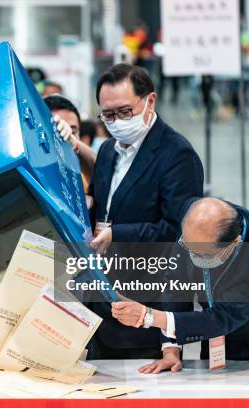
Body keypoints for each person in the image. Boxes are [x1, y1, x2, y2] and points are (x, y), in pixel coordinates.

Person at [89, 63, 204, 359]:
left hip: (146, 309)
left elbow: (179, 235)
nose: (116, 122)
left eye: (125, 112)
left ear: (150, 101)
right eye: (108, 115)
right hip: (101, 306)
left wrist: (171, 341)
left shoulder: (176, 155)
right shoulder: (106, 152)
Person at [111, 198, 249, 372]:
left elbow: (222, 318)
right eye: (187, 246)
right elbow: (175, 284)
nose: (192, 256)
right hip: (214, 341)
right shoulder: (196, 221)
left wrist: (148, 317)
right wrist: (171, 348)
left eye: (202, 254)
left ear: (235, 242)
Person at [43, 94, 97, 200]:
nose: (64, 136)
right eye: (58, 129)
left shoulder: (82, 176)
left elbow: (101, 165)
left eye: (72, 131)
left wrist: (73, 142)